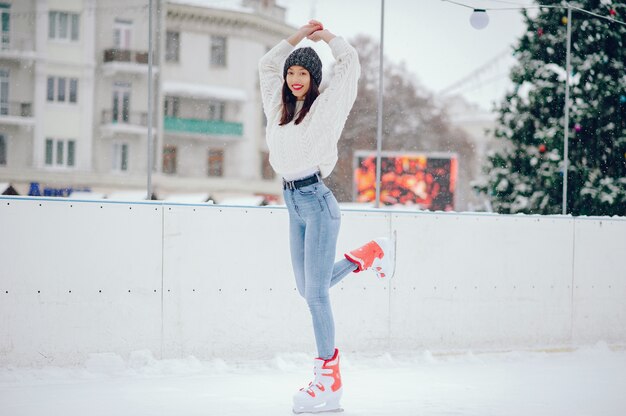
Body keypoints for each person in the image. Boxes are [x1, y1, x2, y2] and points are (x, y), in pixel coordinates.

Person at [258, 20, 395, 414]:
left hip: (318, 203)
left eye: (303, 72)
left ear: (314, 78)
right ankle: (367, 255)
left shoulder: (326, 108)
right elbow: (266, 66)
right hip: (292, 204)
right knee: (307, 289)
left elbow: (349, 61)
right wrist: (297, 37)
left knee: (316, 295)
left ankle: (328, 375)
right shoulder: (276, 107)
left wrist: (325, 39)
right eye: (292, 72)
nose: (295, 78)